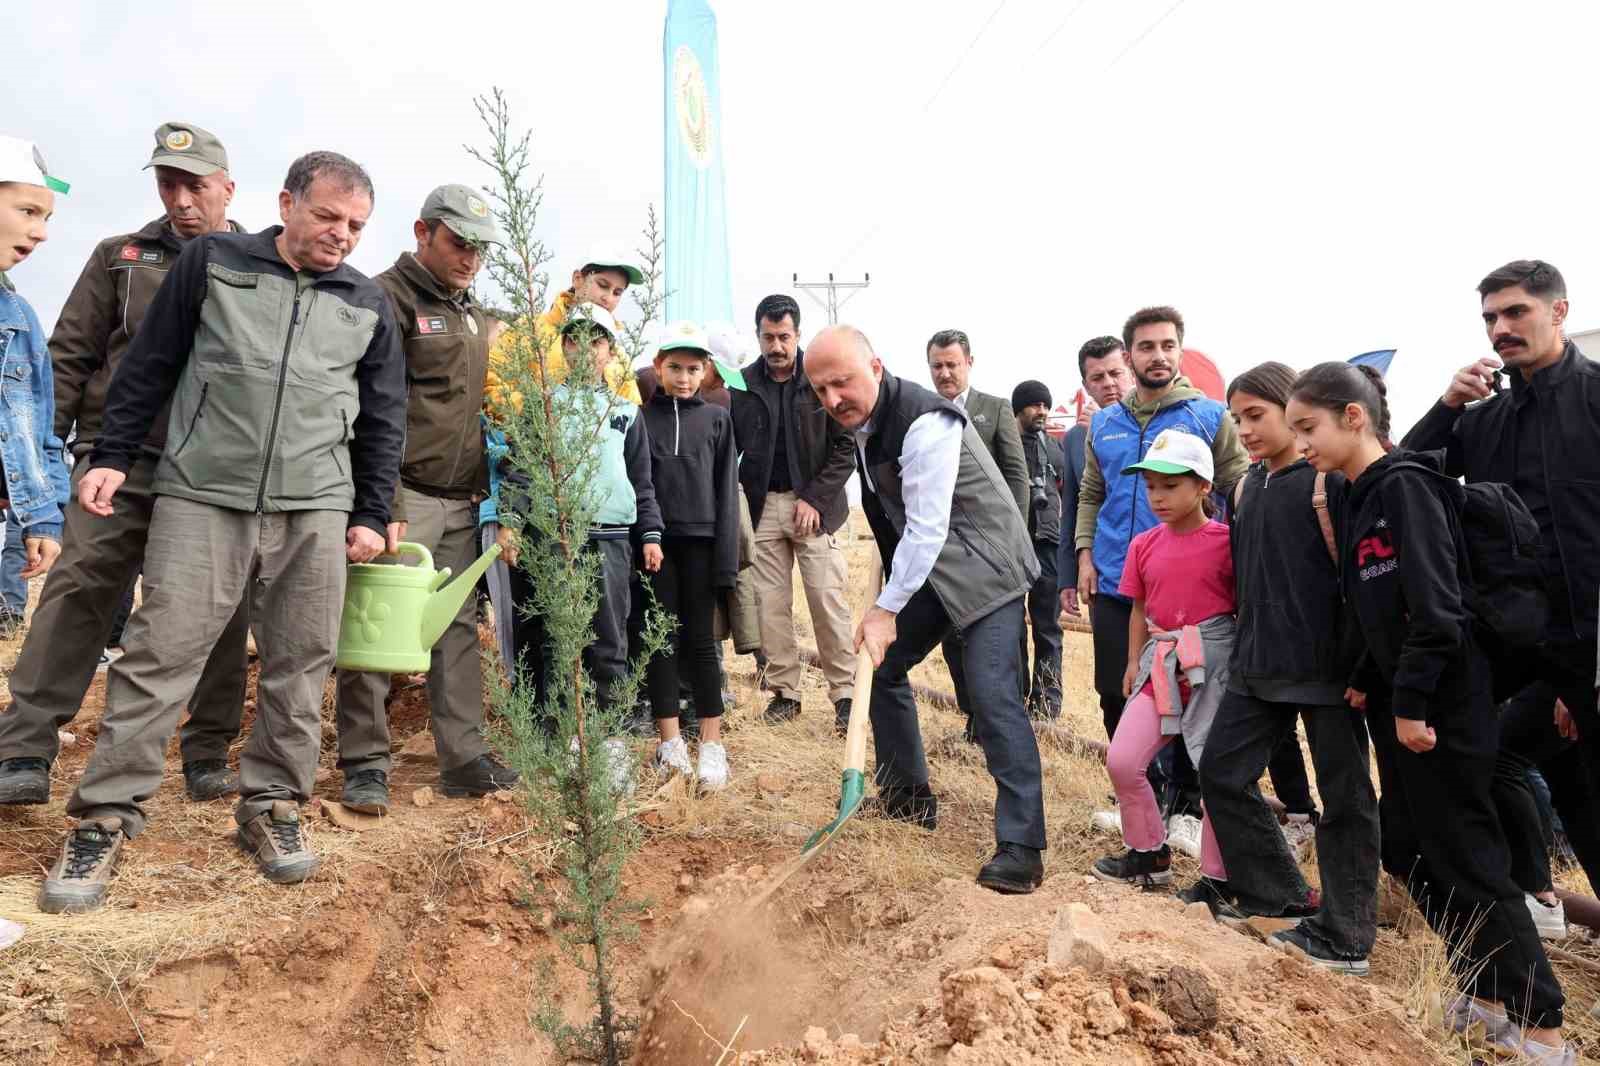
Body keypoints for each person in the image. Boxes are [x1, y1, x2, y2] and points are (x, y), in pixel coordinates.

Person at [38, 151, 406, 912]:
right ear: (287, 203)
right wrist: (110, 456)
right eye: (328, 216)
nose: (341, 236)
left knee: (301, 662)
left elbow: (383, 419)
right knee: (159, 654)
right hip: (201, 492)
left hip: (315, 506)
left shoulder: (367, 303)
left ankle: (272, 806)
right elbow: (151, 364)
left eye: (357, 226)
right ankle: (104, 816)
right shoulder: (214, 261)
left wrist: (372, 512)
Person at [1290, 361, 1571, 1062]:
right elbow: (1377, 603)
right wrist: (1365, 678)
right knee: (1409, 844)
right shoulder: (1358, 494)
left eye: (1308, 427)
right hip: (1399, 701)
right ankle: (1482, 990)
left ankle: (1544, 1027)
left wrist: (1411, 702)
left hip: (1444, 703)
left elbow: (1439, 610)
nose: (1301, 445)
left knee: (1469, 857)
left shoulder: (1407, 488)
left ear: (1353, 417)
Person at [0, 122, 251, 807]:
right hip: (117, 463)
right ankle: (24, 747)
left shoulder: (260, 267)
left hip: (215, 473)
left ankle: (206, 751)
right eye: (168, 183)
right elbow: (68, 361)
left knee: (222, 611)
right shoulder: (121, 256)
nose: (181, 199)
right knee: (79, 589)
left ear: (228, 186)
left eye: (195, 184)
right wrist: (31, 472)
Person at [806, 325, 1047, 894]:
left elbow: (928, 525)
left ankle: (1021, 846)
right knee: (883, 667)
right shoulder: (861, 427)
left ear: (876, 368)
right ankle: (908, 799)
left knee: (991, 695)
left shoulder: (926, 421)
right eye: (820, 390)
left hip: (987, 568)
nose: (832, 398)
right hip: (935, 570)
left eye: (842, 383)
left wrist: (887, 608)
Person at [1403, 260, 1600, 898]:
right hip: (1512, 640)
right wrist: (1446, 405)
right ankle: (1527, 903)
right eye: (1490, 317)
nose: (1500, 329)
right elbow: (1401, 476)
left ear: (1559, 311)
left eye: (1516, 312)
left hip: (1590, 641)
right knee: (1479, 759)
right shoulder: (1483, 417)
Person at [334, 184, 518, 815]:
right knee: (375, 630)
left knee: (457, 629)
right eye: (459, 244)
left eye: (479, 250)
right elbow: (369, 409)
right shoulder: (384, 297)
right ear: (423, 232)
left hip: (464, 498)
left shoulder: (474, 312)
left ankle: (463, 757)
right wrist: (380, 500)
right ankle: (365, 763)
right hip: (403, 492)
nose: (470, 258)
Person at [1192, 362, 1380, 974]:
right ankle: (1281, 894)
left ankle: (1348, 936)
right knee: (1221, 773)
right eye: (1237, 417)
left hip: (1327, 669)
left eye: (1257, 415)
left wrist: (1360, 663)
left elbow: (1358, 578)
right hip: (1258, 665)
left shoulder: (1329, 484)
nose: (1245, 429)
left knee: (1345, 799)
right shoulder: (1245, 487)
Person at [1073, 307, 1249, 852]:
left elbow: (1239, 484)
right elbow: (1090, 493)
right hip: (1115, 575)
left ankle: (1189, 807)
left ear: (1179, 349)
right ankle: (1140, 797)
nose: (1158, 356)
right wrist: (1083, 554)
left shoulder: (1209, 416)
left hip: (1187, 586)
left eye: (1168, 345)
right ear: (1130, 355)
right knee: (1117, 689)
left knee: (1191, 698)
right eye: (1146, 347)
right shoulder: (1102, 424)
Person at [489, 303, 663, 734]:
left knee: (609, 638)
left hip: (612, 538)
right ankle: (563, 736)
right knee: (558, 640)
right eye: (575, 340)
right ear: (564, 346)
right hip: (556, 536)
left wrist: (650, 534)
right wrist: (510, 521)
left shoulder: (626, 413)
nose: (585, 349)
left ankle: (610, 737)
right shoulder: (543, 404)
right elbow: (521, 468)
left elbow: (641, 481)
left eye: (597, 341)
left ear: (610, 351)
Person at [1089, 429, 1234, 891]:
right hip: (1161, 665)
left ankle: (1218, 878)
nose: (1158, 496)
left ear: (1204, 486)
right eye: (1151, 486)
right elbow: (1138, 607)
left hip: (1214, 666)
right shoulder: (1143, 545)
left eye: (1171, 486)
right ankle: (1149, 853)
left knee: (1216, 770)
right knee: (1123, 758)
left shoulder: (1228, 542)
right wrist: (1134, 661)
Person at [729, 295, 856, 731]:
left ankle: (845, 695)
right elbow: (730, 447)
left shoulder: (822, 378)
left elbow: (846, 448)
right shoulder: (742, 385)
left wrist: (815, 499)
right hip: (763, 507)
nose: (776, 346)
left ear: (798, 335)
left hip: (815, 509)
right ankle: (785, 692)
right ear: (758, 336)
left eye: (784, 337)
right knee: (770, 605)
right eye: (768, 337)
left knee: (827, 599)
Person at [640, 323, 739, 788]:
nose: (683, 377)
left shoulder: (717, 420)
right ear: (658, 366)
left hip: (702, 543)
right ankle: (670, 743)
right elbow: (639, 485)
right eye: (674, 367)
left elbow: (725, 493)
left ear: (707, 372)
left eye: (693, 369)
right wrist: (644, 536)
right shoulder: (640, 418)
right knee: (659, 640)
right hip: (656, 545)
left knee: (701, 642)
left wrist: (725, 560)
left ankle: (713, 745)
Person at [925, 329, 1029, 738]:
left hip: (997, 547)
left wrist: (1012, 538)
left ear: (969, 362)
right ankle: (973, 714)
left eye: (952, 364)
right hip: (950, 549)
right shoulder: (926, 412)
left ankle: (1010, 713)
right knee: (954, 636)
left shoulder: (996, 409)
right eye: (937, 365)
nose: (945, 373)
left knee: (1005, 636)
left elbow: (1016, 477)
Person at [0, 136, 69, 626]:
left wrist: (43, 518)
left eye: (46, 218)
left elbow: (40, 434)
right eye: (28, 211)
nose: (41, 233)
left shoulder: (20, 320)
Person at [485, 242, 645, 408]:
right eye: (602, 285)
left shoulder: (618, 354)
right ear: (577, 279)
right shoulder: (529, 329)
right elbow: (491, 385)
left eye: (617, 293)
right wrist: (536, 414)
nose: (608, 298)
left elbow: (632, 411)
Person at [1058, 336, 1131, 617]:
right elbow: (1074, 506)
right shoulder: (1076, 437)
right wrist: (1068, 575)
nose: (1109, 383)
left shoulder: (1158, 424)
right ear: (1087, 385)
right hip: (1104, 569)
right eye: (1098, 377)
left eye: (1115, 373)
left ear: (1130, 372)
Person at [1011, 380, 1065, 719]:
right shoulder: (1006, 443)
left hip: (1048, 543)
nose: (1041, 411)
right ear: (1019, 409)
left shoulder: (1055, 449)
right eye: (1034, 405)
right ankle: (1013, 698)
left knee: (1048, 626)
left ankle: (1047, 703)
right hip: (1013, 544)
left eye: (1045, 405)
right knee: (1011, 625)